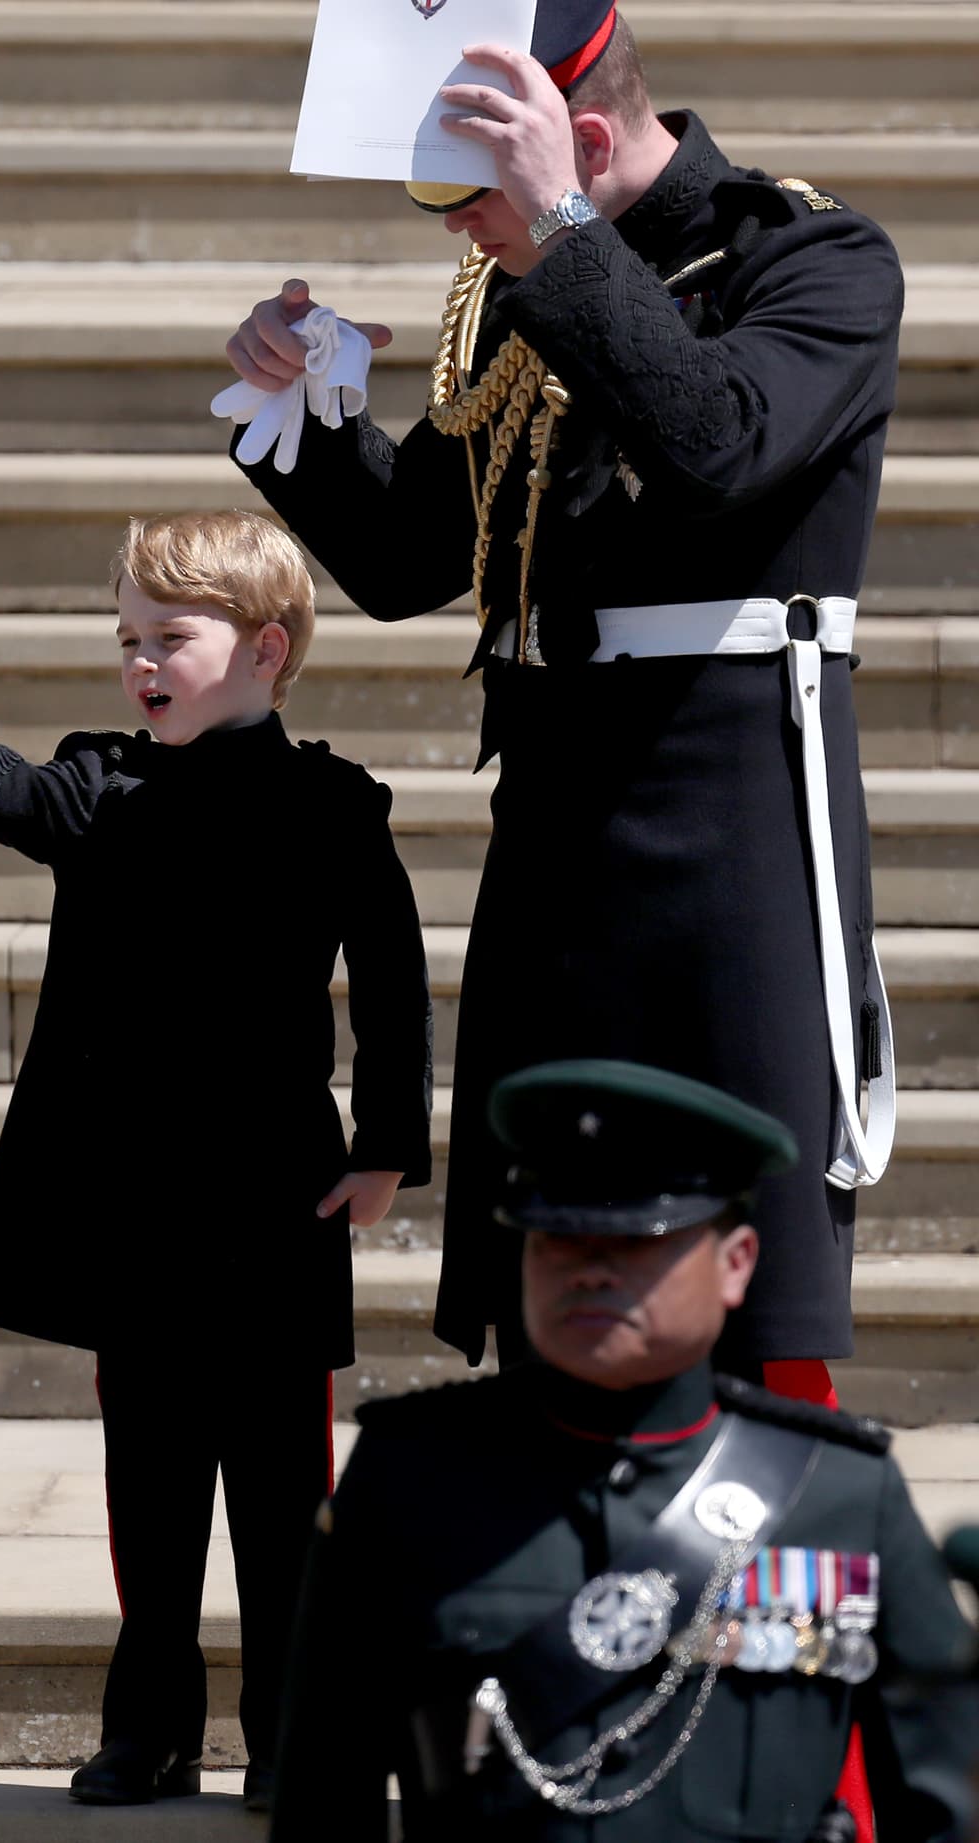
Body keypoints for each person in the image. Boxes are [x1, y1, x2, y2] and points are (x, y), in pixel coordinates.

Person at [223, 0, 903, 1386]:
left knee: (750, 1250)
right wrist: (312, 414)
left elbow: (719, 444)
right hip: (558, 814)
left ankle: (771, 1582)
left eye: (476, 198)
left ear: (578, 140)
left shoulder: (808, 252)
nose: (460, 233)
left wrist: (567, 243)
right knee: (547, 1232)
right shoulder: (524, 281)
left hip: (729, 812)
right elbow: (421, 554)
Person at [0, 509, 433, 1811]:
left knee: (285, 1485)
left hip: (280, 1195)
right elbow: (6, 784)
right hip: (135, 1203)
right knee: (153, 1484)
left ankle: (295, 1727)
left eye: (169, 638)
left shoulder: (333, 805)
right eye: (126, 636)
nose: (140, 660)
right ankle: (152, 1725)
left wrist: (389, 1144)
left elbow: (396, 984)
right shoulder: (102, 784)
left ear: (265, 649)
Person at [269, 1061, 977, 1842]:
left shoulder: (841, 1492)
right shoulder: (406, 1479)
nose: (592, 1269)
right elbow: (323, 1806)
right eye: (558, 1237)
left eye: (639, 1240)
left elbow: (945, 1812)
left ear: (736, 1261)